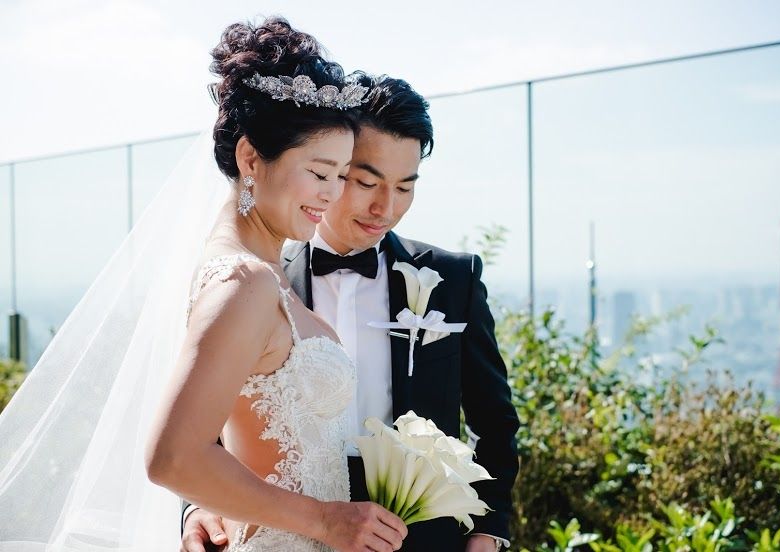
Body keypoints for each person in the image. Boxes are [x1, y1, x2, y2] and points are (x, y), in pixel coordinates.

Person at [0, 16, 406, 552]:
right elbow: (173, 458)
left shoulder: (256, 272)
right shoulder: (243, 281)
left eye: (340, 175)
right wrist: (326, 521)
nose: (331, 194)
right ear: (250, 158)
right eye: (318, 172)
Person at [182, 74, 520, 552]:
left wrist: (489, 529)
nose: (386, 207)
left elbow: (495, 420)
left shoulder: (452, 279)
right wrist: (199, 506)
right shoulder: (256, 281)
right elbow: (206, 413)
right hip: (287, 525)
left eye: (405, 187)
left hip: (423, 539)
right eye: (365, 182)